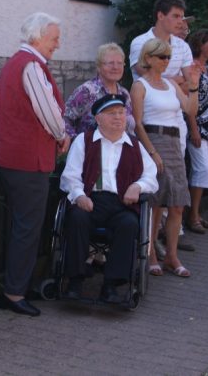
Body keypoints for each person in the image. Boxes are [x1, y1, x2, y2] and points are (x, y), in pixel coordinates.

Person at [0, 12, 70, 316]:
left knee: (22, 225)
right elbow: (48, 111)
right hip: (26, 159)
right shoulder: (31, 65)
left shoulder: (17, 62)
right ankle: (14, 292)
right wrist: (62, 135)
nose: (57, 44)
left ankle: (17, 285)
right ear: (38, 37)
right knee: (27, 227)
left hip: (13, 157)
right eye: (54, 39)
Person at [60, 94, 158, 303]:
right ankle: (74, 282)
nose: (118, 117)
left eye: (121, 112)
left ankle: (111, 285)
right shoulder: (84, 141)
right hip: (91, 200)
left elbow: (151, 176)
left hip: (122, 203)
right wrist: (79, 195)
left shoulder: (134, 145)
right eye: (112, 113)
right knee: (77, 218)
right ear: (98, 119)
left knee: (129, 224)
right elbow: (70, 176)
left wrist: (137, 186)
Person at [130, 38, 199, 278]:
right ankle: (151, 254)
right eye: (162, 56)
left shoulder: (170, 84)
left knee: (177, 203)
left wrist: (193, 87)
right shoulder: (140, 86)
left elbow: (190, 109)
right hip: (153, 141)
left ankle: (171, 255)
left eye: (168, 57)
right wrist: (152, 152)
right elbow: (137, 123)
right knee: (156, 203)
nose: (166, 61)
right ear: (148, 58)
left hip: (173, 142)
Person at [185, 29, 208, 234]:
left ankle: (196, 214)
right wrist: (194, 129)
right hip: (198, 126)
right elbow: (191, 100)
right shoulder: (192, 67)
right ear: (201, 45)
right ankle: (192, 216)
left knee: (202, 170)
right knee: (203, 169)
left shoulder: (207, 68)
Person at [64, 43, 135, 138]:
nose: (115, 67)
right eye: (110, 63)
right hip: (91, 146)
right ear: (99, 67)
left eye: (119, 63)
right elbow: (65, 118)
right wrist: (77, 141)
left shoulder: (124, 94)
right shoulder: (87, 91)